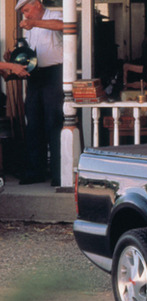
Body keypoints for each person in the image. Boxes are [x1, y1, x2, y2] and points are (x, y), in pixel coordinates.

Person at [11, 0, 64, 185]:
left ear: (37, 4)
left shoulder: (54, 15)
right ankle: (36, 171)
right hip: (35, 76)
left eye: (27, 10)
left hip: (54, 74)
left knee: (54, 122)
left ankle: (59, 174)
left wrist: (35, 23)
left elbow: (63, 26)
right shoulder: (29, 26)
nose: (26, 15)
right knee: (33, 123)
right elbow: (33, 52)